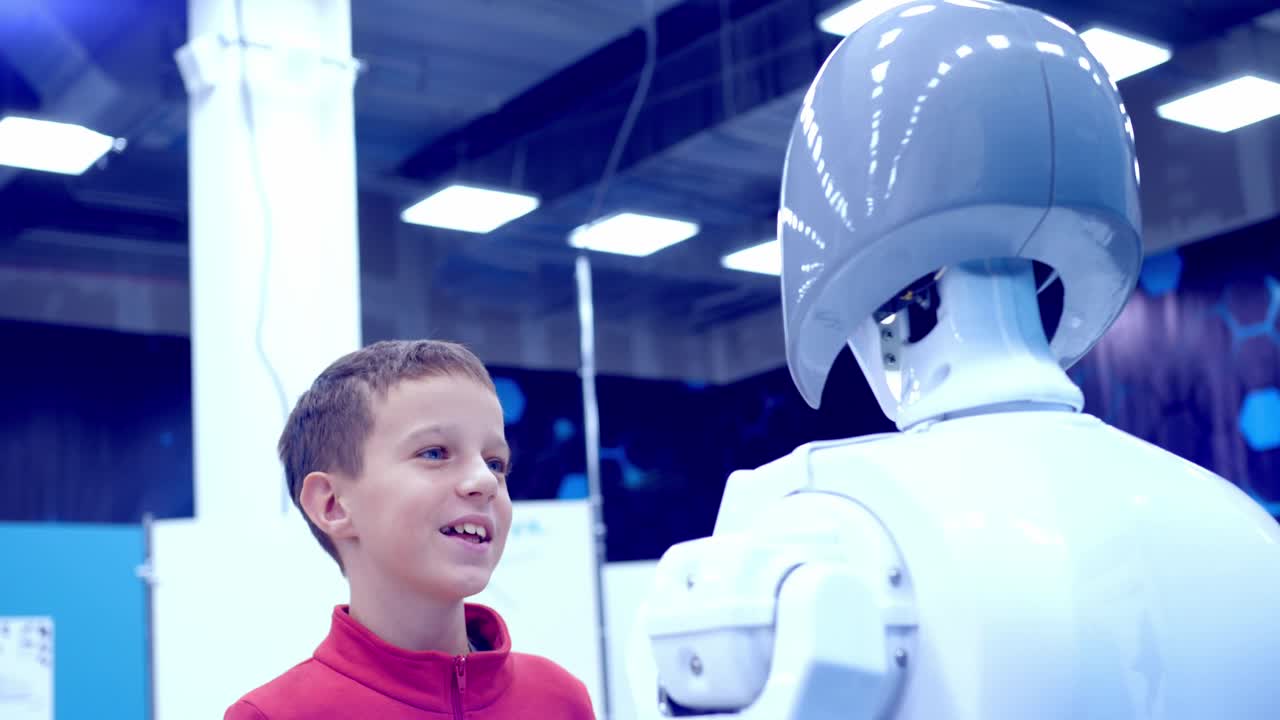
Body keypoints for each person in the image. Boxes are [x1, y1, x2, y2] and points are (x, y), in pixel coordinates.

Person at [225, 339, 596, 719]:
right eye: (434, 453)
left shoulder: (559, 699)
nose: (485, 481)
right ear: (332, 504)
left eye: (495, 463)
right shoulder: (275, 714)